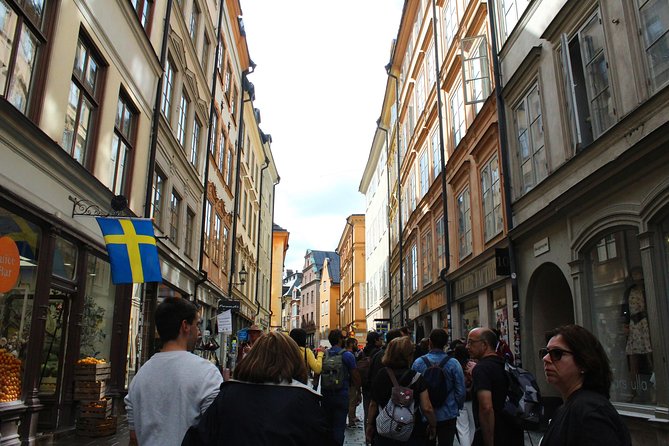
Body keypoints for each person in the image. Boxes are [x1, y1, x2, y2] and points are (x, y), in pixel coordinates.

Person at [182, 331, 332, 445]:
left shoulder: (228, 394)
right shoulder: (304, 401)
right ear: (293, 360)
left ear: (254, 357)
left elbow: (200, 437)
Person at [125, 297, 223, 446]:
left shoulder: (139, 377)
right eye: (197, 325)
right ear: (185, 326)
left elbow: (134, 438)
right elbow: (216, 432)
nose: (199, 333)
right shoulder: (207, 373)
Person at [539, 324, 632, 446]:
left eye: (557, 353)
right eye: (545, 352)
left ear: (583, 363)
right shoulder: (568, 407)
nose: (546, 358)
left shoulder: (590, 411)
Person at [366, 336, 437, 445]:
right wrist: (433, 425)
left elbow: (373, 404)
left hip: (385, 431)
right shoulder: (417, 378)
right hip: (411, 431)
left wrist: (370, 424)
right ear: (409, 355)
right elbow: (427, 408)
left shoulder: (381, 375)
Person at [467, 327, 523, 446]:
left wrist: (489, 442)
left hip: (495, 435)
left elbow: (486, 408)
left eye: (471, 342)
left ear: (484, 344)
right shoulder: (504, 364)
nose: (467, 347)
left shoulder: (481, 369)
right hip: (513, 432)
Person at [411, 329, 465, 446]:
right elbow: (460, 390)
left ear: (430, 342)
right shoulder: (454, 363)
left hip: (425, 413)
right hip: (448, 412)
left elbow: (413, 389)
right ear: (446, 343)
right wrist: (457, 406)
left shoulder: (418, 363)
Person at [322, 329, 360, 445]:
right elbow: (355, 376)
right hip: (342, 394)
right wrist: (358, 392)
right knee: (339, 426)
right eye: (343, 338)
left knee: (327, 426)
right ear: (339, 340)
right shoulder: (348, 356)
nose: (344, 340)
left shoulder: (324, 354)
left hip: (326, 395)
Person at [622, 266, 653, 402]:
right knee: (633, 357)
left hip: (646, 324)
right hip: (634, 326)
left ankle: (655, 388)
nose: (637, 276)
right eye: (634, 274)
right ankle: (633, 390)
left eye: (638, 274)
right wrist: (625, 323)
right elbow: (625, 309)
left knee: (650, 355)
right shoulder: (630, 291)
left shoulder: (647, 289)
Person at [449, 339, 474, 446]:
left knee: (462, 428)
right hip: (472, 398)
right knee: (473, 426)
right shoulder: (472, 365)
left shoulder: (453, 365)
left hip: (459, 399)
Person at [361, 331, 383, 429]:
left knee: (367, 412)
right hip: (377, 387)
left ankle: (368, 435)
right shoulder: (379, 353)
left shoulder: (363, 352)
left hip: (366, 386)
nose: (381, 341)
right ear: (375, 340)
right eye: (380, 339)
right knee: (379, 412)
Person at [346, 337, 363, 427]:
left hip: (346, 381)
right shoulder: (350, 355)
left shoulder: (344, 353)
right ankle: (351, 421)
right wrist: (358, 384)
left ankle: (352, 417)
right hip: (351, 382)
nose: (357, 346)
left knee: (352, 401)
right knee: (352, 402)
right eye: (356, 344)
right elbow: (354, 371)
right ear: (351, 344)